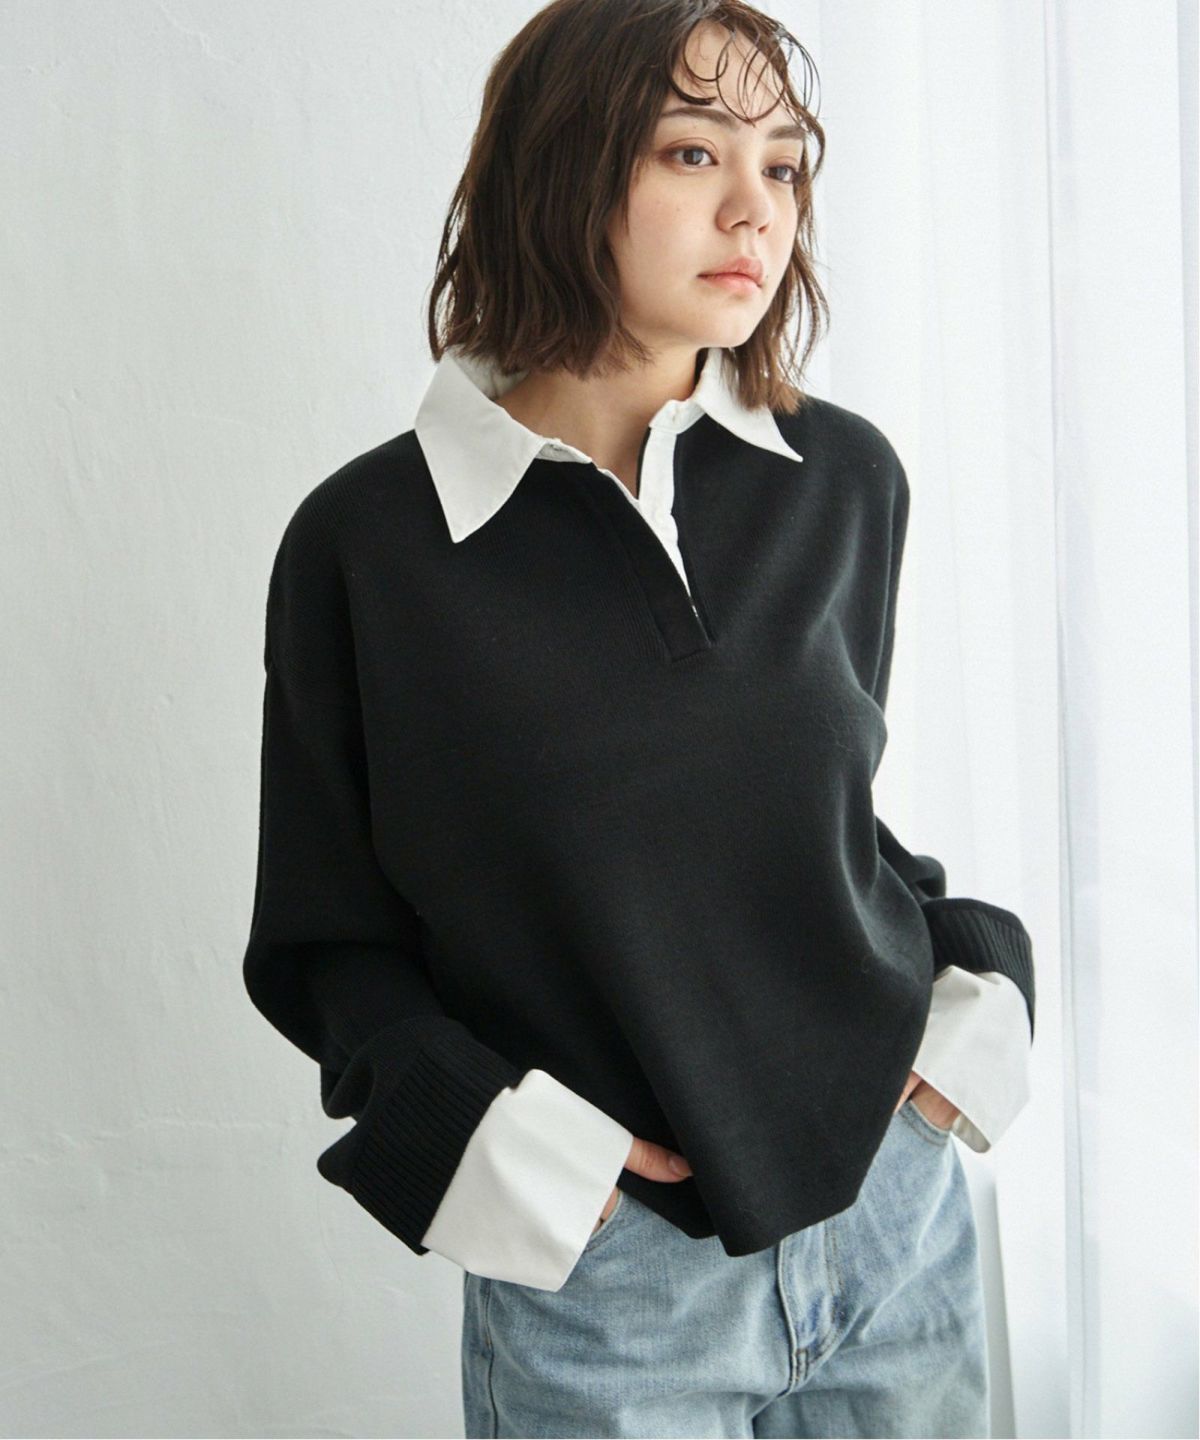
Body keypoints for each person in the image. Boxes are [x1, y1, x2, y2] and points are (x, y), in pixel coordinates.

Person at [242, 2, 1036, 1435]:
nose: (756, 209)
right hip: (614, 1299)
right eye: (692, 153)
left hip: (895, 1226)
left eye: (782, 164)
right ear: (563, 167)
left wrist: (967, 1020)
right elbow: (326, 943)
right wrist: (521, 1165)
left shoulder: (842, 479)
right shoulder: (371, 546)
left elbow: (824, 820)